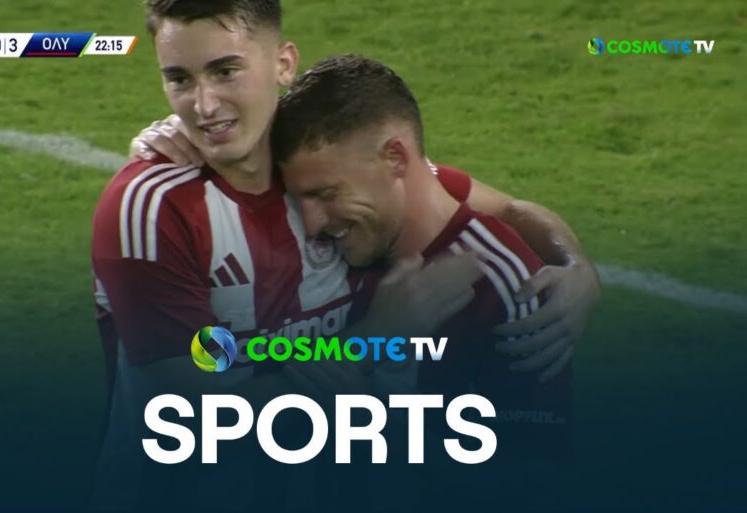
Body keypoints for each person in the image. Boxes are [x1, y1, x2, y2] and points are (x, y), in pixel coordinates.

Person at [92, 0, 596, 509]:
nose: (203, 106)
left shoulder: (320, 173)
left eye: (225, 71)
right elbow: (193, 422)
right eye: (179, 79)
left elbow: (503, 208)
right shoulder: (153, 207)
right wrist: (376, 337)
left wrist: (576, 269)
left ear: (283, 64)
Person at [271, 55, 573, 463]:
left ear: (395, 159)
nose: (310, 226)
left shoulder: (505, 288)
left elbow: (529, 474)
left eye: (326, 194)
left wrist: (370, 422)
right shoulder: (352, 246)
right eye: (300, 201)